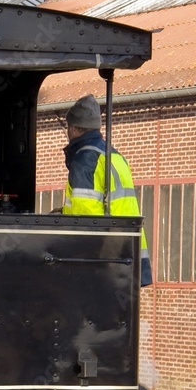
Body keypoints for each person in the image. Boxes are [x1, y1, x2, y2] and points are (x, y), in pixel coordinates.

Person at [62, 94, 152, 286]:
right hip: (127, 250)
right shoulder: (113, 154)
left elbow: (86, 214)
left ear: (74, 128)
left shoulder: (85, 158)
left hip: (103, 258)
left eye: (67, 128)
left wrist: (82, 264)